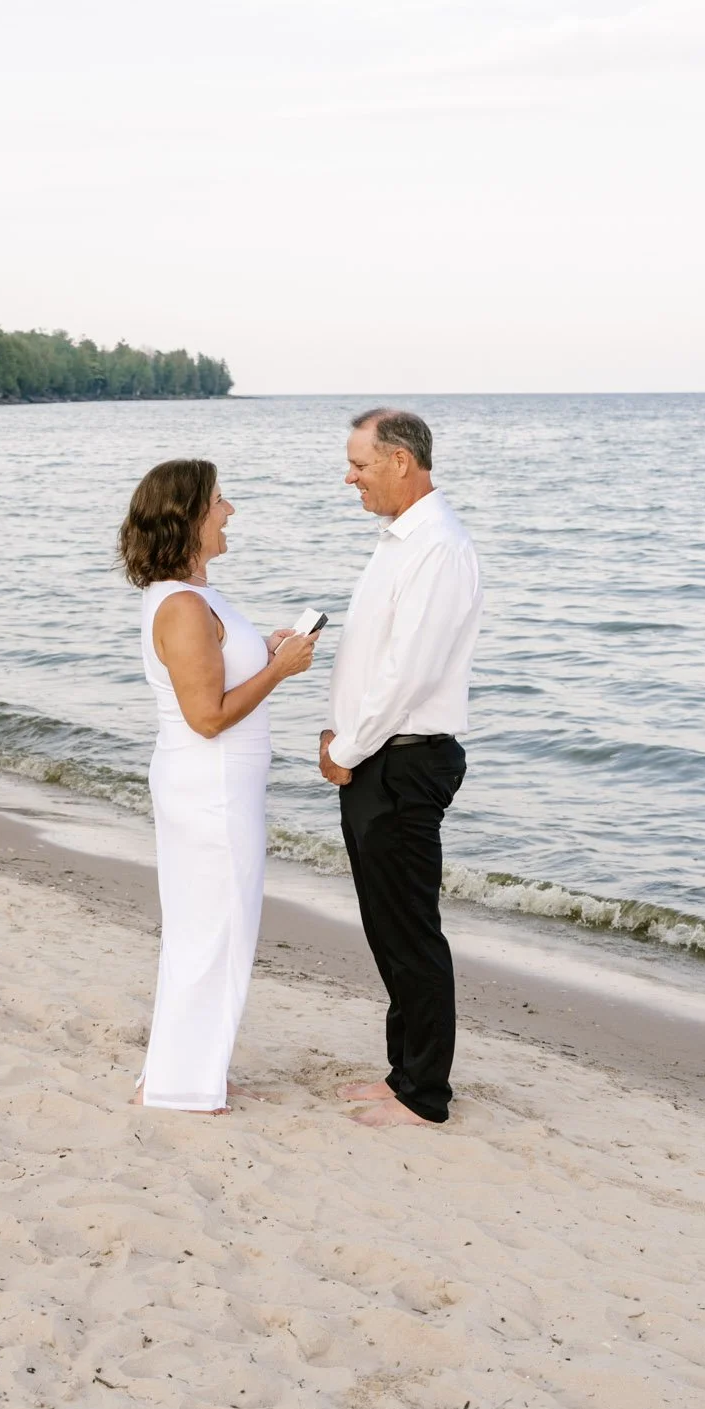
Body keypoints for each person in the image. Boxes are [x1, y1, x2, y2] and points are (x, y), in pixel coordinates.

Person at [118, 459, 316, 1113]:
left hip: (211, 787)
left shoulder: (192, 597)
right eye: (221, 501)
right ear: (190, 517)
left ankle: (182, 1074)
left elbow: (216, 666)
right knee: (215, 933)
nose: (230, 511)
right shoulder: (180, 605)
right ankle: (183, 1085)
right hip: (211, 791)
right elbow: (207, 716)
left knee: (206, 929)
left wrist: (265, 646)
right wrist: (280, 670)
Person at [318, 409, 484, 1129]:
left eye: (359, 464)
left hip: (403, 762)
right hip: (375, 755)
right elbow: (376, 660)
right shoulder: (397, 543)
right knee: (387, 928)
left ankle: (424, 1093)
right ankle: (402, 1073)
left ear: (400, 463)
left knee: (411, 930)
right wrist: (342, 731)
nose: (348, 476)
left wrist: (347, 748)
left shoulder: (438, 549)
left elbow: (409, 675)